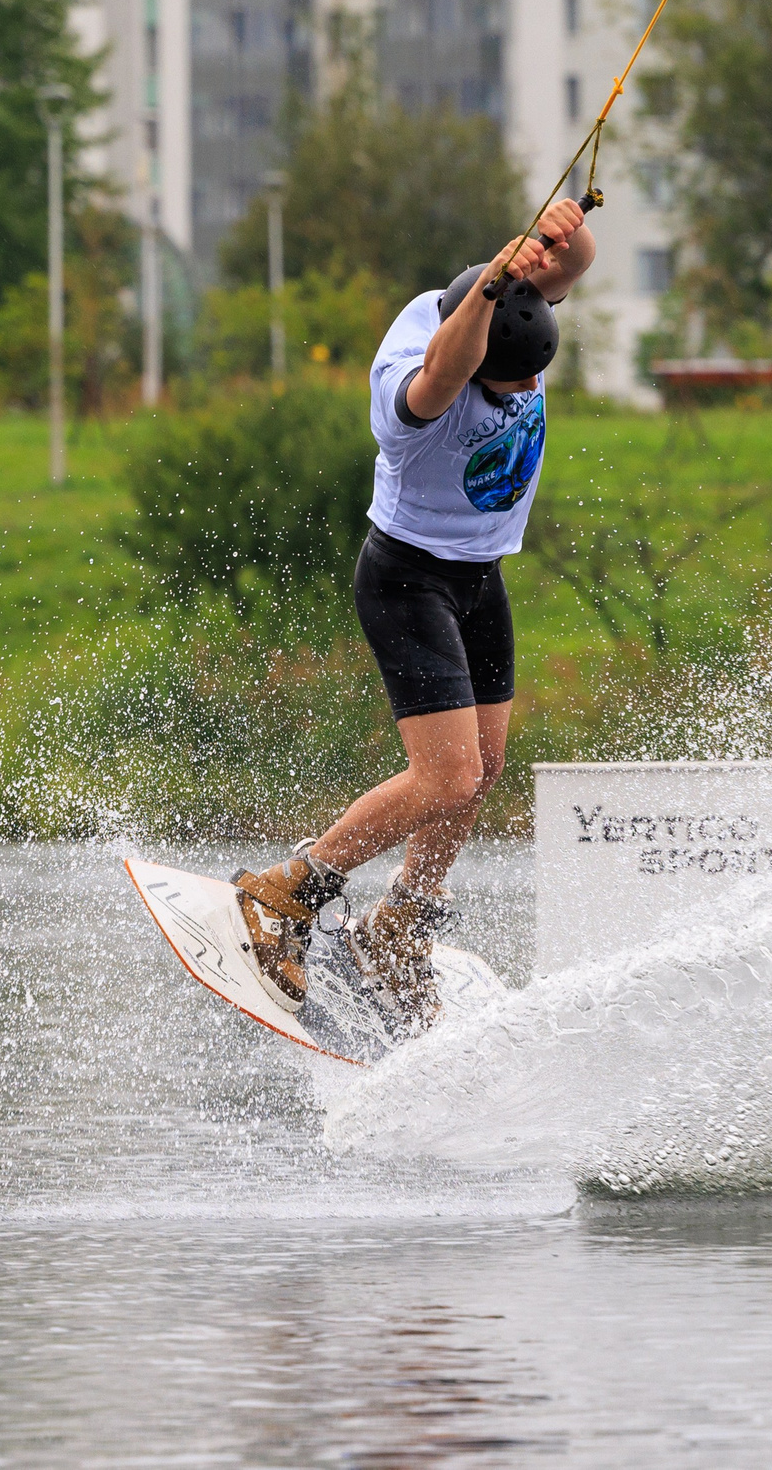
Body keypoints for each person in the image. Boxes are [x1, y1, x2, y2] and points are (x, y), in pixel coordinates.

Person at [226, 198, 596, 1033]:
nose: (527, 393)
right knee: (445, 777)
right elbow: (442, 374)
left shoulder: (507, 321)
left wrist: (560, 238)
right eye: (513, 383)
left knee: (483, 765)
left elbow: (569, 272)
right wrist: (487, 298)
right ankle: (287, 891)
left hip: (477, 577)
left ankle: (400, 925)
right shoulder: (419, 399)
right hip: (408, 579)